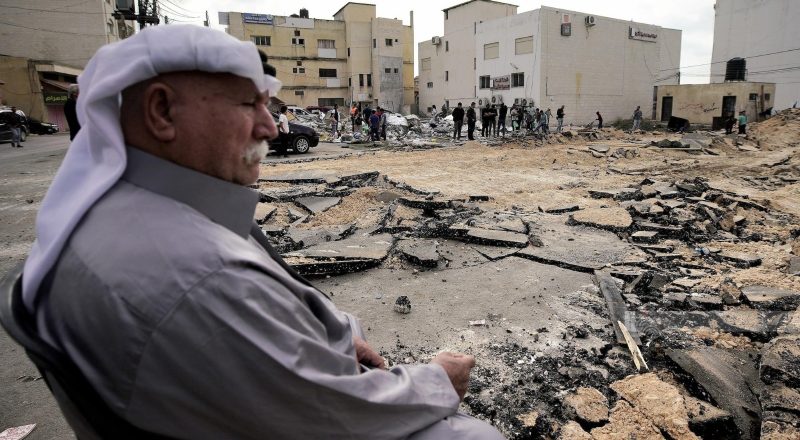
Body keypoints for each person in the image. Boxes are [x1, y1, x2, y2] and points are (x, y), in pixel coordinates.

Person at [21, 25, 503, 440]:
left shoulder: (133, 212)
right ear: (162, 112)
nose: (271, 128)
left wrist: (333, 335)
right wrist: (437, 380)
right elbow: (331, 413)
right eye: (250, 104)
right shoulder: (198, 274)